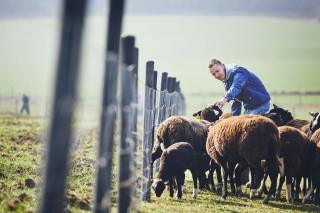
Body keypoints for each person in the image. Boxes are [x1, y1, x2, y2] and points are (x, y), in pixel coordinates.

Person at [208, 59, 271, 185]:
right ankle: (242, 177)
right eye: (213, 74)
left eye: (217, 71)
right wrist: (234, 121)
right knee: (240, 135)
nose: (217, 75)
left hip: (260, 105)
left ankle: (255, 177)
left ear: (223, 67)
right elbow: (236, 102)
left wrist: (225, 99)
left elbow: (236, 88)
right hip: (249, 108)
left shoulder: (239, 72)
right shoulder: (226, 82)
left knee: (248, 137)